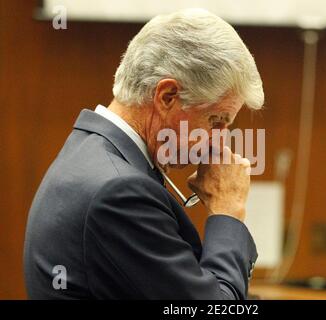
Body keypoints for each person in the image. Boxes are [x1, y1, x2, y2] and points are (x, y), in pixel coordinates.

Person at [24, 8, 264, 299]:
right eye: (216, 121)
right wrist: (228, 212)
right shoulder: (120, 192)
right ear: (167, 97)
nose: (218, 142)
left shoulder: (88, 152)